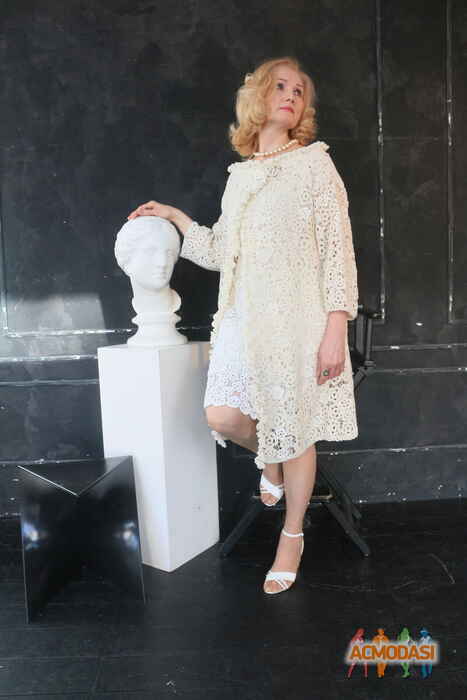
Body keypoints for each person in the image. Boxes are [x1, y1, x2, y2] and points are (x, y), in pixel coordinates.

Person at [127, 56, 359, 595]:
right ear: (256, 97)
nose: (291, 96)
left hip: (298, 322)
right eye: (280, 87)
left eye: (299, 91)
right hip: (242, 320)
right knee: (224, 416)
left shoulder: (315, 164)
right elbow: (220, 252)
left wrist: (336, 329)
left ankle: (292, 536)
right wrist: (177, 218)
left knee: (295, 429)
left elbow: (338, 253)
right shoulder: (241, 176)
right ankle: (270, 459)